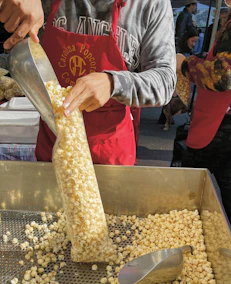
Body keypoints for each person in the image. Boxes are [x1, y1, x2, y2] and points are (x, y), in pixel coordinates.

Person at [0, 0, 176, 166]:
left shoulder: (150, 4)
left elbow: (165, 81)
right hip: (54, 149)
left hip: (110, 152)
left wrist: (113, 83)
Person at [176, 0, 231, 242]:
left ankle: (193, 246)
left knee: (197, 194)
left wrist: (185, 64)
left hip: (222, 126)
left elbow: (222, 76)